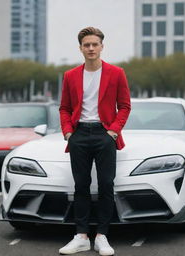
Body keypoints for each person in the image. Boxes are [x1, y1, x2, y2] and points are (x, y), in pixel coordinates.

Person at [59, 27, 131, 256]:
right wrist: (69, 132)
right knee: (80, 185)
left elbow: (125, 106)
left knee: (106, 185)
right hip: (79, 134)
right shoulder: (70, 75)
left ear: (102, 46)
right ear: (80, 48)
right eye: (86, 45)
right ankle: (80, 236)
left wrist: (113, 132)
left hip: (105, 134)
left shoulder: (116, 73)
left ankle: (102, 236)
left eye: (95, 44)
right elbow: (64, 108)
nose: (91, 48)